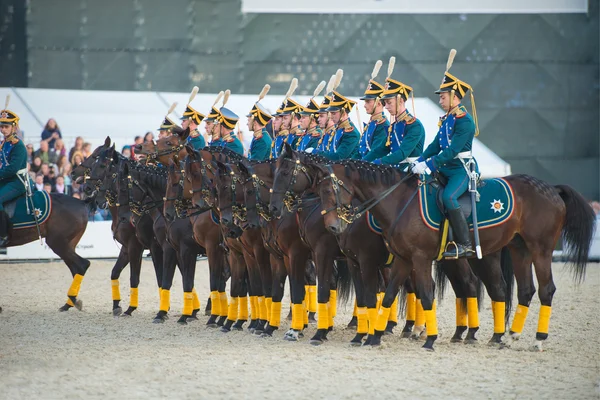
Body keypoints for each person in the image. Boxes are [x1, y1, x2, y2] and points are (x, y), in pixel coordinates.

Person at [411, 49, 480, 259]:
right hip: (445, 167)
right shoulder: (448, 118)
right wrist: (419, 161)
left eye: (443, 97)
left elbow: (451, 151)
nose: (440, 101)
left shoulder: (464, 121)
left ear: (455, 97)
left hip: (460, 169)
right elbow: (434, 145)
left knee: (449, 197)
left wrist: (430, 165)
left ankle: (465, 244)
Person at [367, 57, 424, 169]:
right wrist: (359, 163)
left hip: (410, 174)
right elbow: (381, 150)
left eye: (389, 103)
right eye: (385, 103)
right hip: (396, 172)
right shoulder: (393, 127)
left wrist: (377, 163)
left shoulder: (414, 125)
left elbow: (402, 153)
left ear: (401, 100)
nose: (386, 107)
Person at [0, 103, 28, 246]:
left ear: (14, 127)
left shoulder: (18, 145)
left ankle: (3, 234)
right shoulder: (4, 144)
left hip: (17, 182)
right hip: (6, 179)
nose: (3, 129)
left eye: (6, 126)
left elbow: (11, 169)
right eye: (2, 127)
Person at [357, 60, 391, 162]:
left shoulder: (383, 125)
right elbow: (360, 150)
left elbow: (375, 153)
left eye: (368, 102)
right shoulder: (372, 123)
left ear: (379, 103)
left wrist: (359, 165)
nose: (364, 105)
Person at [322, 74, 360, 160]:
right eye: (330, 113)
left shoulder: (351, 133)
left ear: (343, 113)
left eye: (334, 113)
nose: (331, 117)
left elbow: (338, 157)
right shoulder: (337, 129)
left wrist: (315, 153)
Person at [296, 81, 326, 153]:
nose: (300, 120)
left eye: (303, 117)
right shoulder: (306, 134)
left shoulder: (317, 136)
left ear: (312, 120)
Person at [246, 84, 273, 161]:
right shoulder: (259, 137)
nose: (247, 123)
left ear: (255, 122)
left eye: (249, 120)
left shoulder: (262, 140)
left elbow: (254, 164)